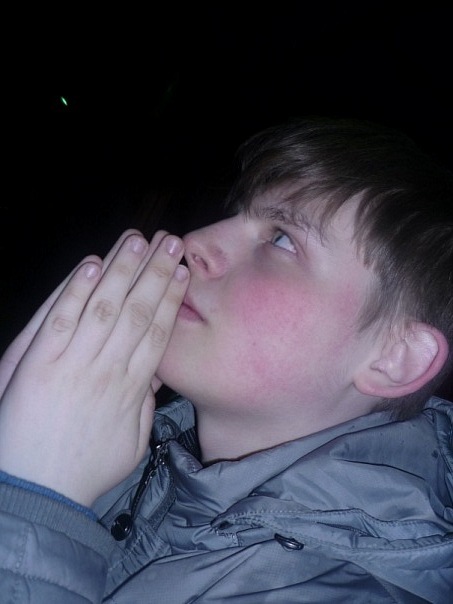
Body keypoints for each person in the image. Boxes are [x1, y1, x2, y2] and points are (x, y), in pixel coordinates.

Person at [0, 116, 452, 603]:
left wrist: (37, 500)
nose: (195, 241)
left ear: (395, 358)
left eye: (282, 238)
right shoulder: (125, 458)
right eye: (235, 214)